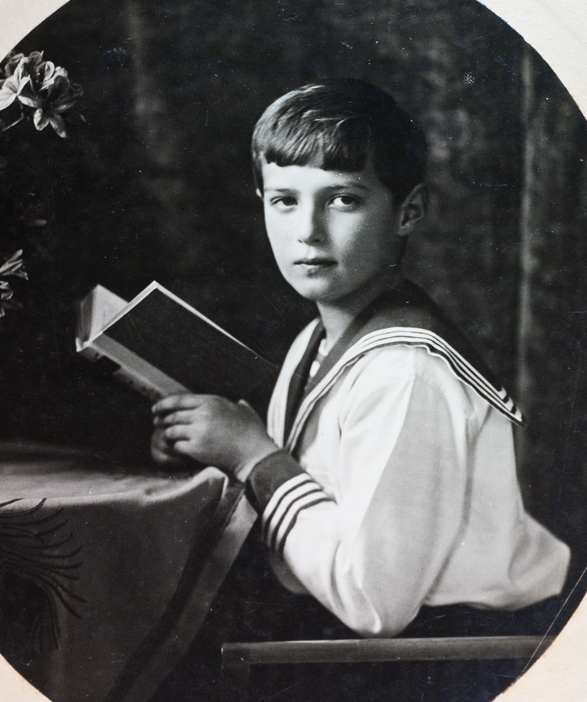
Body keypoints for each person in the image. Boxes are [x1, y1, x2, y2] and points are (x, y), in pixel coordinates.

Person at [150, 79, 570, 644]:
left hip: (452, 649)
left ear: (408, 212)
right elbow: (319, 495)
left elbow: (374, 603)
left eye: (343, 199)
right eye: (285, 200)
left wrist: (254, 457)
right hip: (364, 632)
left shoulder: (406, 370)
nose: (307, 232)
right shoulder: (318, 338)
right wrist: (214, 450)